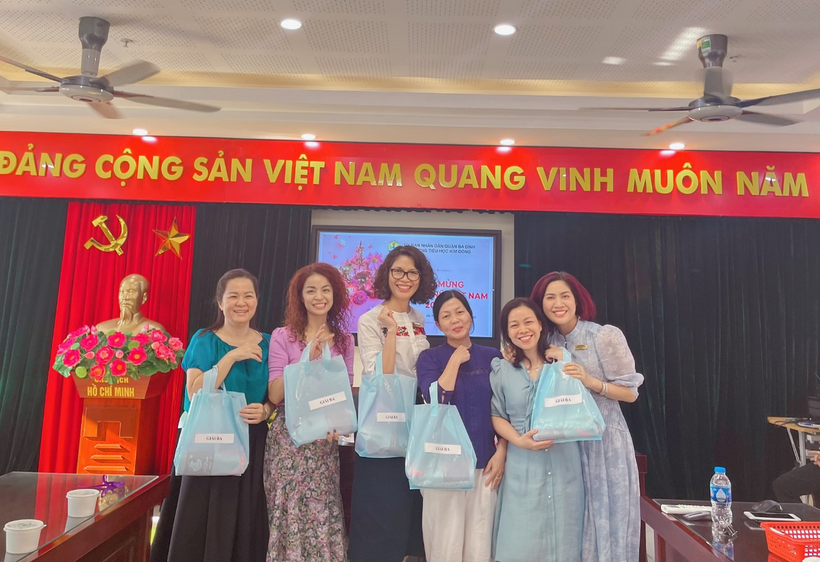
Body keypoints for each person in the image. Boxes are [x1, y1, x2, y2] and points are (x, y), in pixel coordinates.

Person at [151, 269, 272, 562]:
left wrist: (267, 409)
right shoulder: (205, 339)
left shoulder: (269, 342)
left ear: (257, 300)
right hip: (207, 439)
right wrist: (231, 356)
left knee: (245, 516)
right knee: (200, 515)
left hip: (250, 440)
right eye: (233, 296)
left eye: (248, 295)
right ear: (220, 302)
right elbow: (195, 392)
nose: (241, 302)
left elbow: (275, 395)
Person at [532, 271, 644, 562]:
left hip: (604, 442)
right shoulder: (544, 341)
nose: (558, 303)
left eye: (564, 295)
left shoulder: (603, 335)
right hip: (564, 443)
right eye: (550, 297)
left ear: (577, 299)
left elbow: (631, 393)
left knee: (608, 519)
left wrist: (590, 381)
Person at [348, 245, 437, 562]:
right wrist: (389, 332)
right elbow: (379, 375)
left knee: (410, 500)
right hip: (385, 413)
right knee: (382, 500)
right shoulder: (371, 319)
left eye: (413, 272)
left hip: (415, 413)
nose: (405, 278)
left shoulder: (418, 316)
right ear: (387, 275)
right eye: (398, 271)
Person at [264, 263, 355, 562]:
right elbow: (276, 394)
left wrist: (339, 429)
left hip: (324, 444)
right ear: (300, 297)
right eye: (311, 290)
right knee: (288, 512)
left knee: (322, 512)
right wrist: (306, 363)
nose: (319, 296)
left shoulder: (344, 340)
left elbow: (345, 396)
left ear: (335, 295)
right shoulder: (282, 336)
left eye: (326, 290)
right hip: (289, 440)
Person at [490, 297, 585, 562]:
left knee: (565, 541)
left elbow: (579, 406)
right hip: (522, 466)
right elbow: (497, 415)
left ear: (541, 325)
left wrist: (565, 359)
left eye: (529, 321)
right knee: (520, 540)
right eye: (514, 325)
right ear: (507, 332)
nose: (523, 330)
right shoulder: (502, 369)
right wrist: (520, 442)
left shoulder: (562, 362)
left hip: (565, 460)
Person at [416, 290, 506, 562]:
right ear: (438, 324)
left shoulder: (492, 355)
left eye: (460, 312)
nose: (455, 319)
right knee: (445, 541)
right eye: (446, 315)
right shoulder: (429, 358)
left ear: (470, 315)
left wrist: (502, 451)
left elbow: (505, 408)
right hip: (443, 464)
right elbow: (436, 401)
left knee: (481, 541)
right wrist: (455, 360)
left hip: (485, 464)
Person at [96, 273, 166, 333]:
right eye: (122, 292)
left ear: (144, 298)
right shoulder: (101, 329)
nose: (125, 297)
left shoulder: (155, 331)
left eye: (131, 292)